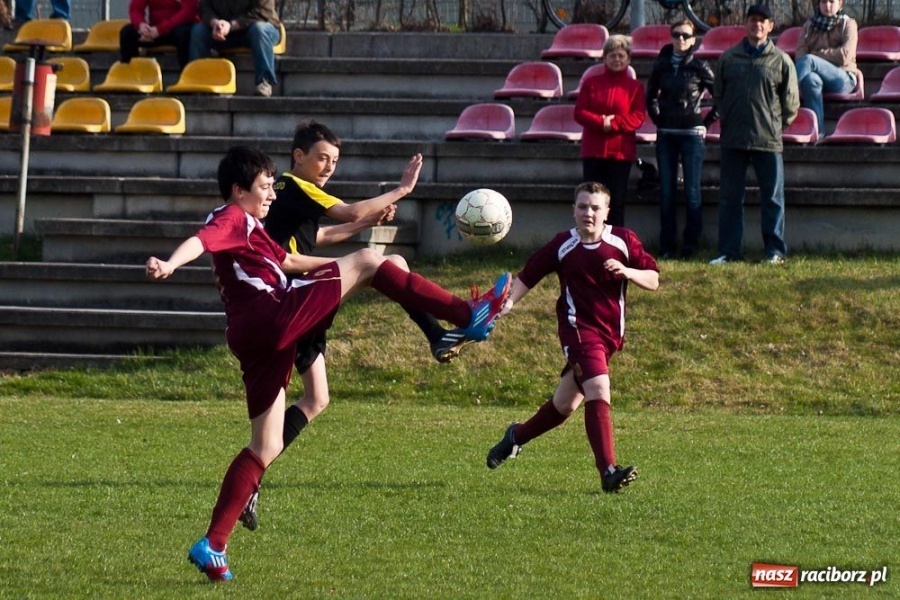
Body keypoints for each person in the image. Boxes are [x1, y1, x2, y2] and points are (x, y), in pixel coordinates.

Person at [146, 145, 511, 582]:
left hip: (253, 336)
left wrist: (355, 272)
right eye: (264, 187)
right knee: (371, 260)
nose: (272, 195)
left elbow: (291, 261)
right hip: (272, 316)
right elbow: (201, 241)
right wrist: (170, 262)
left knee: (265, 445)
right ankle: (467, 316)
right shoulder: (232, 217)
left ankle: (214, 544)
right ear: (239, 190)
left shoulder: (252, 227)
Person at [237, 120, 475, 531]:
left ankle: (251, 484)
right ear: (298, 157)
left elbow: (319, 234)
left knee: (316, 399)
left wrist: (363, 225)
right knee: (387, 263)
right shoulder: (293, 185)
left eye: (334, 160)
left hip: (292, 294)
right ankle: (439, 334)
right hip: (295, 296)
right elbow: (345, 211)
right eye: (322, 158)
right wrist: (402, 189)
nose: (329, 166)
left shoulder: (290, 197)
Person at [485, 182, 659, 494]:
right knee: (598, 387)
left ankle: (515, 438)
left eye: (595, 208)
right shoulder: (563, 244)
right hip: (578, 331)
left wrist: (627, 271)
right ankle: (608, 471)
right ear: (573, 210)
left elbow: (654, 279)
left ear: (607, 212)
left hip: (610, 337)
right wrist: (508, 303)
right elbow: (527, 277)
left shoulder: (623, 240)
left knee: (564, 406)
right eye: (582, 207)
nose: (588, 213)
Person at [711, 4, 799, 265]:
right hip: (733, 140)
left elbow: (791, 103)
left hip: (768, 141)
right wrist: (728, 121)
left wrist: (774, 126)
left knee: (772, 198)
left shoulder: (781, 60)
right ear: (746, 24)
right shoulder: (728, 58)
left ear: (771, 26)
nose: (757, 24)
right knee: (729, 198)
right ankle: (729, 251)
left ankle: (774, 251)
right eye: (752, 20)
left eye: (763, 21)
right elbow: (718, 95)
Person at [646, 19, 717, 260]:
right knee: (666, 191)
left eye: (686, 35)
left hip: (692, 135)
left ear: (693, 39)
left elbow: (721, 98)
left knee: (692, 191)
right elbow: (650, 96)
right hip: (666, 134)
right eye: (676, 34)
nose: (681, 39)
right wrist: (659, 119)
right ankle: (666, 246)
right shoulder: (662, 64)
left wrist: (705, 124)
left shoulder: (700, 66)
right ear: (671, 36)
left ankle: (691, 245)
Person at [574, 34, 646, 228]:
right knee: (591, 201)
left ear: (628, 59)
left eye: (621, 55)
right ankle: (589, 241)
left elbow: (638, 117)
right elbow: (579, 113)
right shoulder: (591, 83)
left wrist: (613, 124)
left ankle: (616, 244)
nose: (617, 59)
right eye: (612, 55)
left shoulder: (636, 88)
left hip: (620, 154)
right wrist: (600, 122)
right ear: (604, 58)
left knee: (616, 202)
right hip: (593, 151)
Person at [189, 0, 280, 97]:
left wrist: (232, 25)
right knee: (198, 32)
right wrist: (214, 23)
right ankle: (198, 80)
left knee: (259, 30)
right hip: (224, 28)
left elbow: (263, 12)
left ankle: (264, 82)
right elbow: (204, 7)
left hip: (257, 25)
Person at [794, 0, 858, 134]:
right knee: (810, 80)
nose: (827, 6)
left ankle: (786, 96)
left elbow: (845, 55)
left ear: (840, 4)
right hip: (818, 77)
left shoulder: (848, 24)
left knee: (809, 60)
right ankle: (818, 133)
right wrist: (816, 59)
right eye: (823, 2)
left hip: (843, 78)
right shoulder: (809, 26)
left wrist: (816, 56)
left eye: (831, 2)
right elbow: (800, 54)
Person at [121, 0, 199, 69]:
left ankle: (186, 75)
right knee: (127, 33)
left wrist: (160, 29)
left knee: (185, 33)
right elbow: (136, 9)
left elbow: (188, 12)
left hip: (175, 28)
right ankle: (131, 74)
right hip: (153, 31)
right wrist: (141, 25)